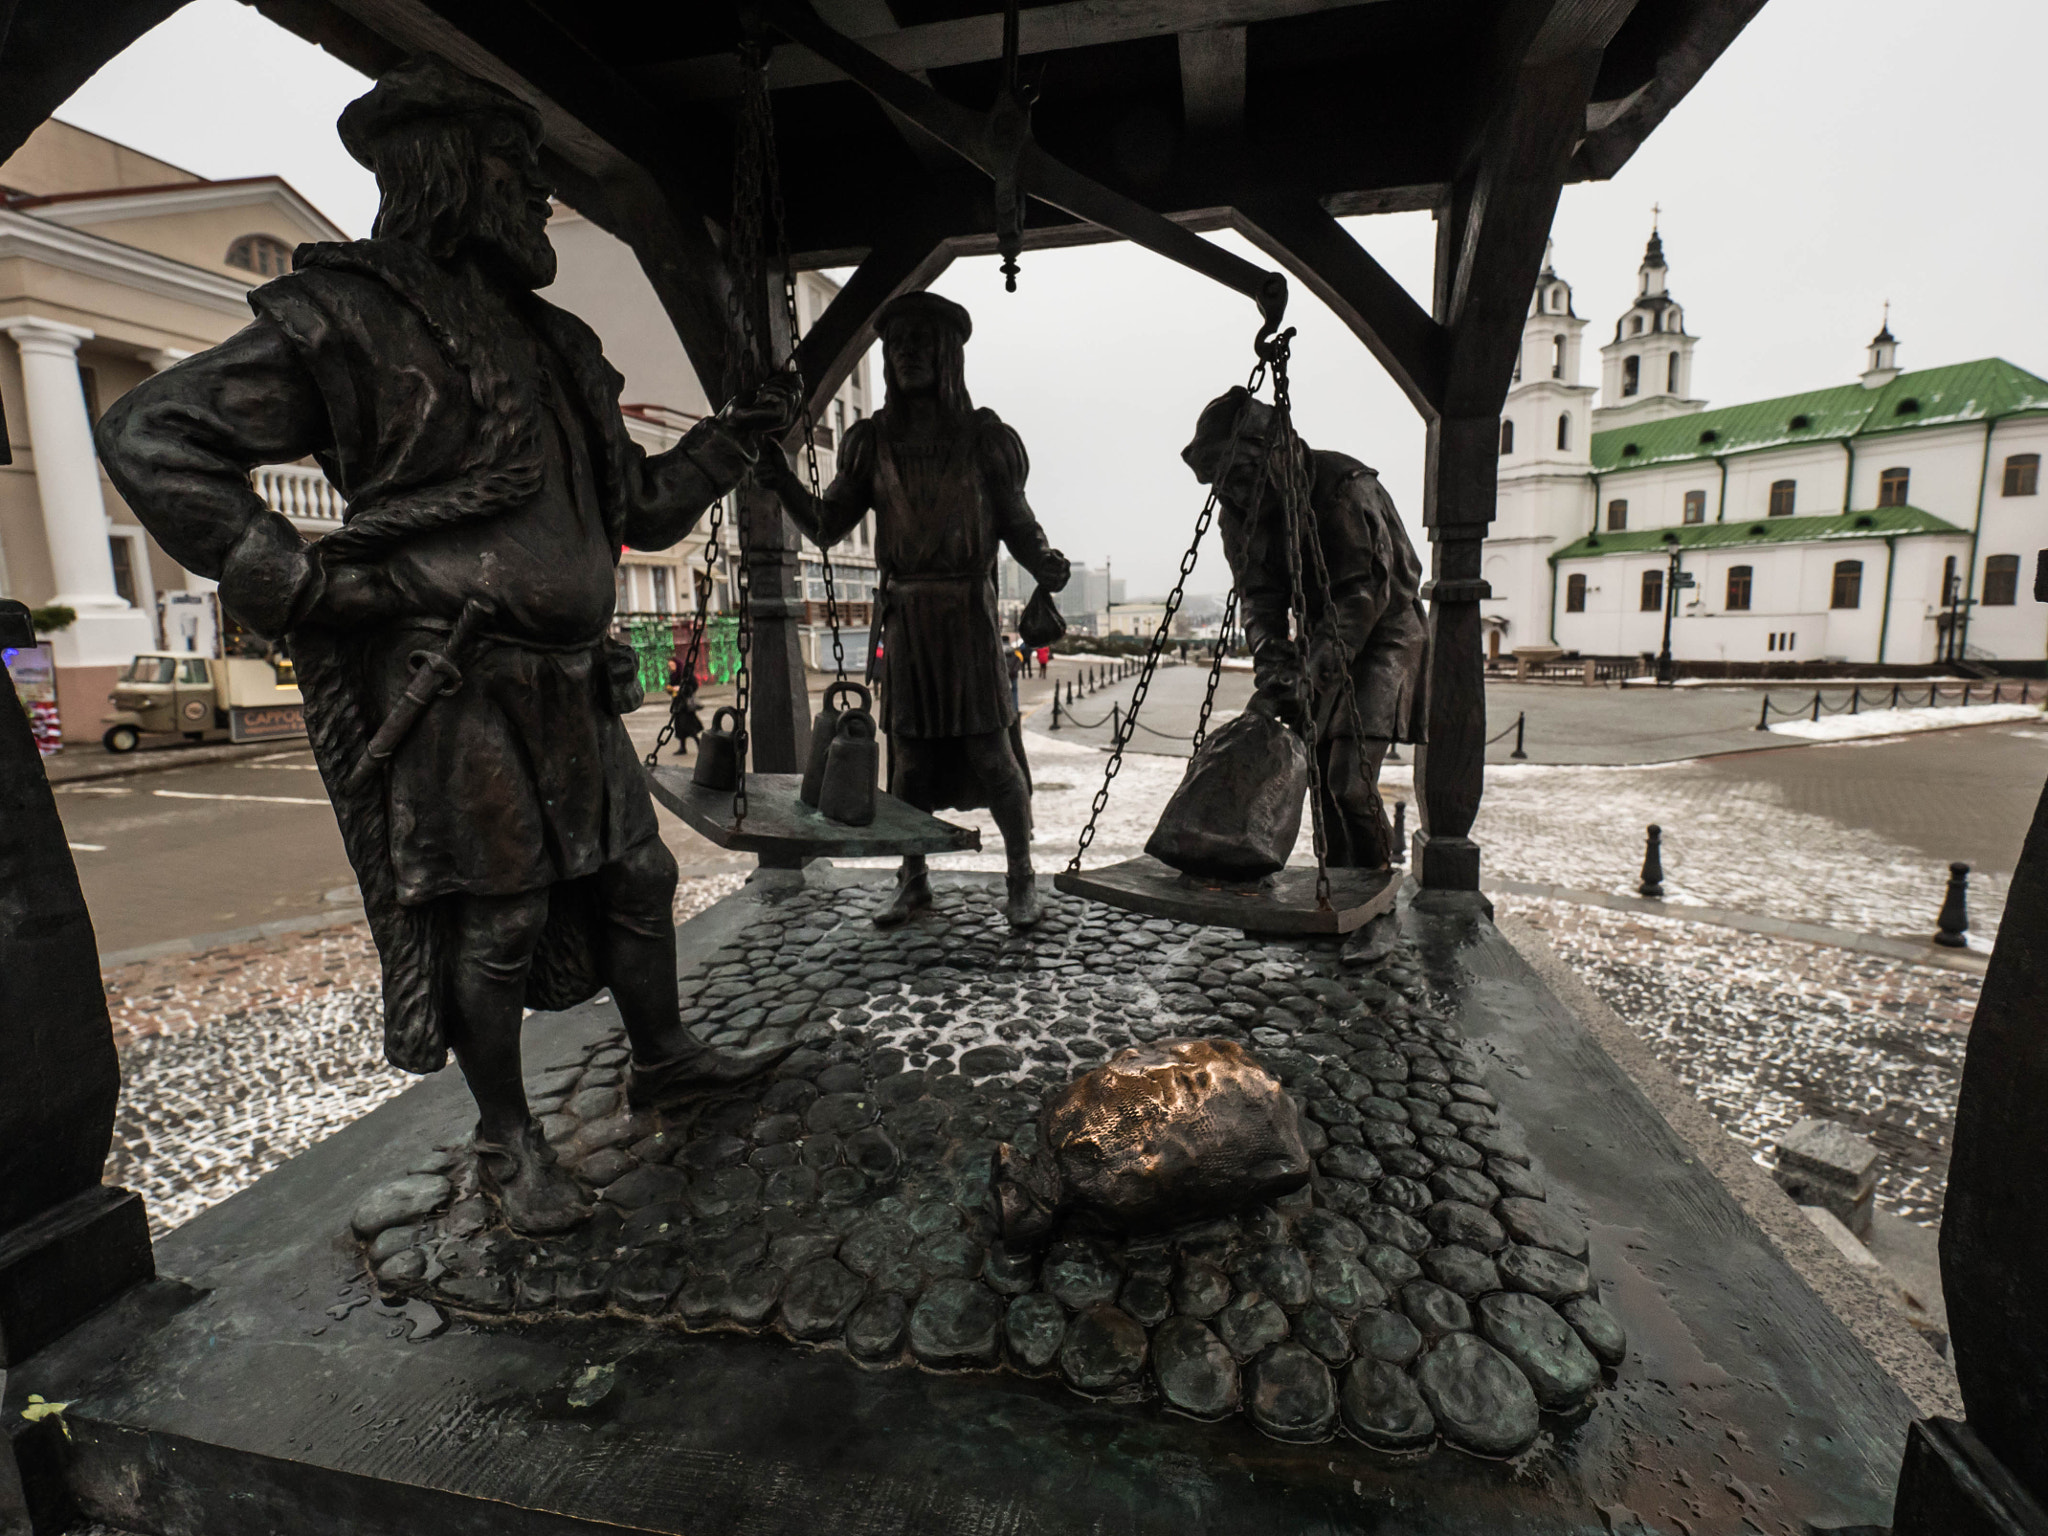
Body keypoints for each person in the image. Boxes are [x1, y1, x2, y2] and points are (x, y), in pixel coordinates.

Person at [95, 56, 800, 1234]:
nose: (533, 203)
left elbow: (639, 507)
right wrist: (301, 575)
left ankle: (663, 1054)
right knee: (497, 915)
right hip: (451, 676)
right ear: (449, 176)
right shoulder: (353, 313)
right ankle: (506, 1139)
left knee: (639, 877)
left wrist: (728, 446)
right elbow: (148, 434)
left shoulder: (563, 344)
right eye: (516, 176)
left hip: (568, 681)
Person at [759, 291, 1069, 929]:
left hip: (967, 618)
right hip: (908, 622)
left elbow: (1016, 520)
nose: (906, 356)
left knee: (992, 754)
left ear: (949, 354)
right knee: (909, 763)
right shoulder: (872, 442)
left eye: (920, 342)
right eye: (896, 345)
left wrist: (1045, 562)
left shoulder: (985, 439)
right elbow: (827, 523)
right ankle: (913, 879)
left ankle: (1021, 876)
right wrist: (783, 480)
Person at [1181, 386, 1426, 868]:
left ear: (1275, 457)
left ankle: (1374, 889)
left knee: (1349, 784)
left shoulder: (1343, 488)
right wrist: (1275, 668)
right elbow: (1259, 598)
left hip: (1383, 637)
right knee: (1318, 784)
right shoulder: (1239, 513)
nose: (1233, 492)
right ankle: (1339, 888)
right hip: (1324, 640)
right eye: (1222, 482)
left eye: (1242, 476)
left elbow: (1360, 595)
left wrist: (1311, 674)